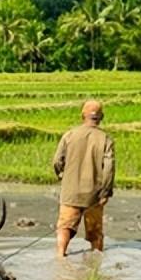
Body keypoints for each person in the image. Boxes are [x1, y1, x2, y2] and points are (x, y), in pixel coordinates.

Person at [53, 100, 115, 257]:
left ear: (83, 115)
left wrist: (62, 176)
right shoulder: (105, 139)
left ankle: (60, 257)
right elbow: (108, 168)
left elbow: (57, 161)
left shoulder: (70, 135)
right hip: (94, 195)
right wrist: (105, 192)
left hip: (70, 192)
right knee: (95, 233)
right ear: (101, 117)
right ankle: (95, 265)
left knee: (64, 227)